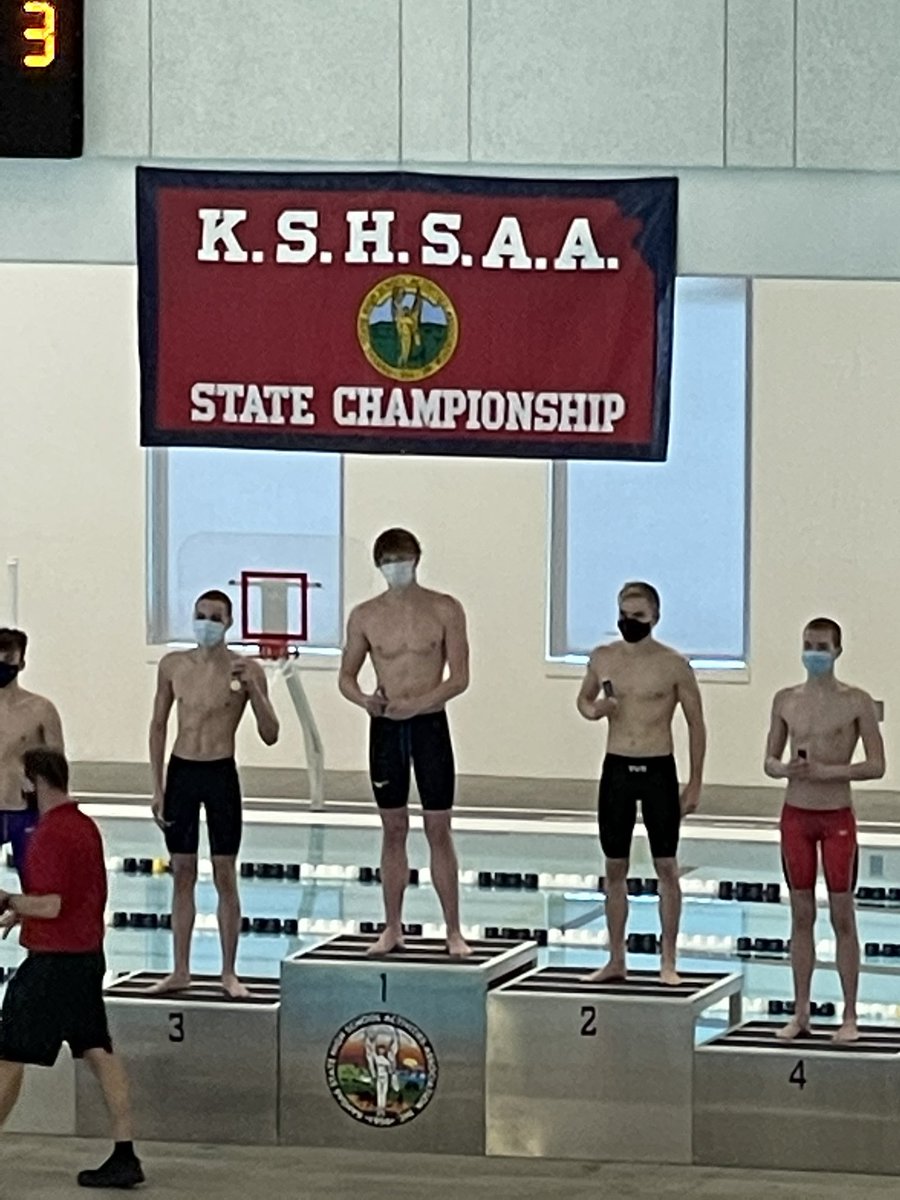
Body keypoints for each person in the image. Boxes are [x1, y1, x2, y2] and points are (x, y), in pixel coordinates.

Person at [0, 749, 143, 1189]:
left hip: (53, 965)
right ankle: (125, 1154)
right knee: (99, 1052)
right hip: (86, 959)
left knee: (5, 1056)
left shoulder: (50, 834)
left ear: (35, 782)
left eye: (21, 781)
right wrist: (20, 913)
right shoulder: (84, 826)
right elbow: (75, 896)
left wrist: (8, 901)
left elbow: (52, 903)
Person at [339, 528, 470, 957]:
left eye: (403, 557)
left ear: (417, 557)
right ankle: (392, 926)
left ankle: (453, 930)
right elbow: (347, 677)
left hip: (429, 725)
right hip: (386, 728)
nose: (397, 565)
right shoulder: (364, 616)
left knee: (438, 827)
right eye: (389, 559)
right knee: (393, 828)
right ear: (379, 564)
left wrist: (419, 705)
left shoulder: (445, 609)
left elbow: (459, 678)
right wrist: (365, 701)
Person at [148, 589, 279, 999]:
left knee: (225, 874)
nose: (207, 622)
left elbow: (271, 734)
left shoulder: (246, 669)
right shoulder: (173, 665)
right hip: (182, 772)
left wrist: (253, 690)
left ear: (229, 623)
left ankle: (228, 972)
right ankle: (180, 970)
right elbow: (158, 725)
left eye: (215, 616)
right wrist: (157, 787)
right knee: (182, 873)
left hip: (221, 773)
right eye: (201, 614)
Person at [576, 582, 706, 985]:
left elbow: (696, 725)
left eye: (638, 616)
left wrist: (696, 782)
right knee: (614, 867)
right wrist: (596, 709)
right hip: (616, 767)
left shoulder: (673, 665)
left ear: (655, 618)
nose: (628, 623)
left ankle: (668, 960)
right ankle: (616, 958)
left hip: (658, 769)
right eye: (624, 614)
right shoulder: (603, 658)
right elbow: (583, 701)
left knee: (666, 867)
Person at [764, 617, 884, 1044]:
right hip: (796, 815)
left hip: (836, 818)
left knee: (842, 915)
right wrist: (787, 769)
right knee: (800, 915)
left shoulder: (857, 702)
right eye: (808, 644)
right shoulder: (785, 700)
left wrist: (826, 771)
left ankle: (849, 1014)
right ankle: (801, 1013)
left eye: (821, 646)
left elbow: (876, 765)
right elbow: (769, 761)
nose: (813, 652)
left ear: (837, 651)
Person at [0, 628, 64, 882]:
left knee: (36, 884)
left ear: (21, 662)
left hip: (25, 810)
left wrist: (56, 815)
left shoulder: (41, 710)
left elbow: (58, 770)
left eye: (7, 661)